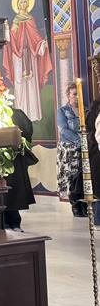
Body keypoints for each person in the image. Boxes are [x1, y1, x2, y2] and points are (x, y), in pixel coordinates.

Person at [56, 84, 88, 217]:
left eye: (78, 94)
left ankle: (84, 205)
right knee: (72, 177)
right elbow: (63, 130)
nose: (77, 97)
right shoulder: (62, 111)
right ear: (68, 95)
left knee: (83, 177)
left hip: (84, 148)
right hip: (69, 149)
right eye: (74, 94)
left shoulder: (85, 110)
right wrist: (80, 140)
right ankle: (75, 205)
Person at [5, 107, 38, 231]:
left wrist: (18, 138)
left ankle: (14, 222)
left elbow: (27, 130)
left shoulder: (16, 114)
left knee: (14, 190)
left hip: (15, 158)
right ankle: (3, 223)